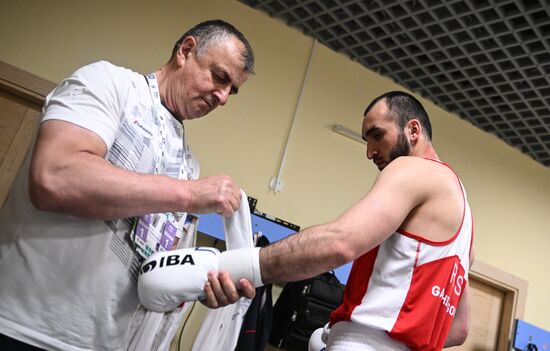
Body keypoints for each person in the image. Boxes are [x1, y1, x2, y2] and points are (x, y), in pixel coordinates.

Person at [0, 19, 256, 351]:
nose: (223, 98)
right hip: (20, 327)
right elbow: (54, 176)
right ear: (186, 51)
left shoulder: (189, 165)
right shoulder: (109, 83)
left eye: (231, 90)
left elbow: (151, 273)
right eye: (220, 77)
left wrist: (200, 286)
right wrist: (189, 195)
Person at [200, 91, 474, 350]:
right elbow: (459, 329)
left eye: (377, 135)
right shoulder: (465, 221)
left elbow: (339, 243)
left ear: (413, 130)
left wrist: (239, 267)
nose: (370, 151)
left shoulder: (414, 170)